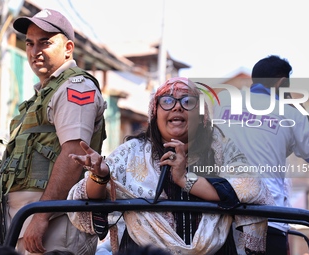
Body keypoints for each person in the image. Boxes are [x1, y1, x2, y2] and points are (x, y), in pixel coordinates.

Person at [67, 77, 275, 255]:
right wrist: (100, 177)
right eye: (167, 100)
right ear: (155, 113)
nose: (177, 106)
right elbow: (87, 202)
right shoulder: (131, 153)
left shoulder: (221, 149)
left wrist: (186, 180)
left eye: (187, 101)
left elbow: (250, 188)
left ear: (202, 117)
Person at [0, 8, 107, 254]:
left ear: (68, 48)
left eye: (45, 43)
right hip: (26, 221)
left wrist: (41, 216)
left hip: (54, 223)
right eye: (30, 43)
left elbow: (73, 154)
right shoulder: (44, 93)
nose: (35, 51)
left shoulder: (75, 87)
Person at [213, 55, 309, 255]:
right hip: (269, 220)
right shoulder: (291, 115)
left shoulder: (223, 102)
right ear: (281, 82)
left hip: (223, 219)